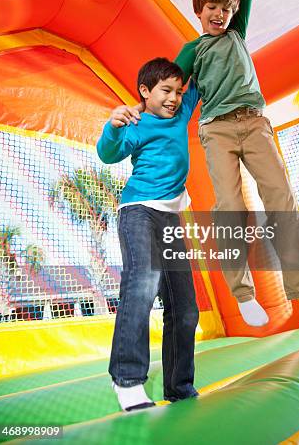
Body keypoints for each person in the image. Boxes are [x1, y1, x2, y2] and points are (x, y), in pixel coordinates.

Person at [174, 0, 299, 327]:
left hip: (255, 123)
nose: (219, 14)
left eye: (226, 9)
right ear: (199, 9)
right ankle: (242, 293)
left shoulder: (237, 32)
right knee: (231, 206)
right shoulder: (192, 50)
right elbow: (172, 87)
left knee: (280, 195)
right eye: (212, 7)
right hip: (216, 130)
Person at [97, 57, 199, 412]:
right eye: (165, 91)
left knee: (186, 308)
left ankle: (180, 386)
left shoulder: (182, 112)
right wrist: (113, 124)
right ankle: (127, 380)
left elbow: (194, 58)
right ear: (145, 92)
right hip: (138, 211)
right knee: (142, 284)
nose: (173, 97)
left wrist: (222, 17)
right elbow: (107, 154)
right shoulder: (137, 123)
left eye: (178, 91)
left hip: (170, 219)